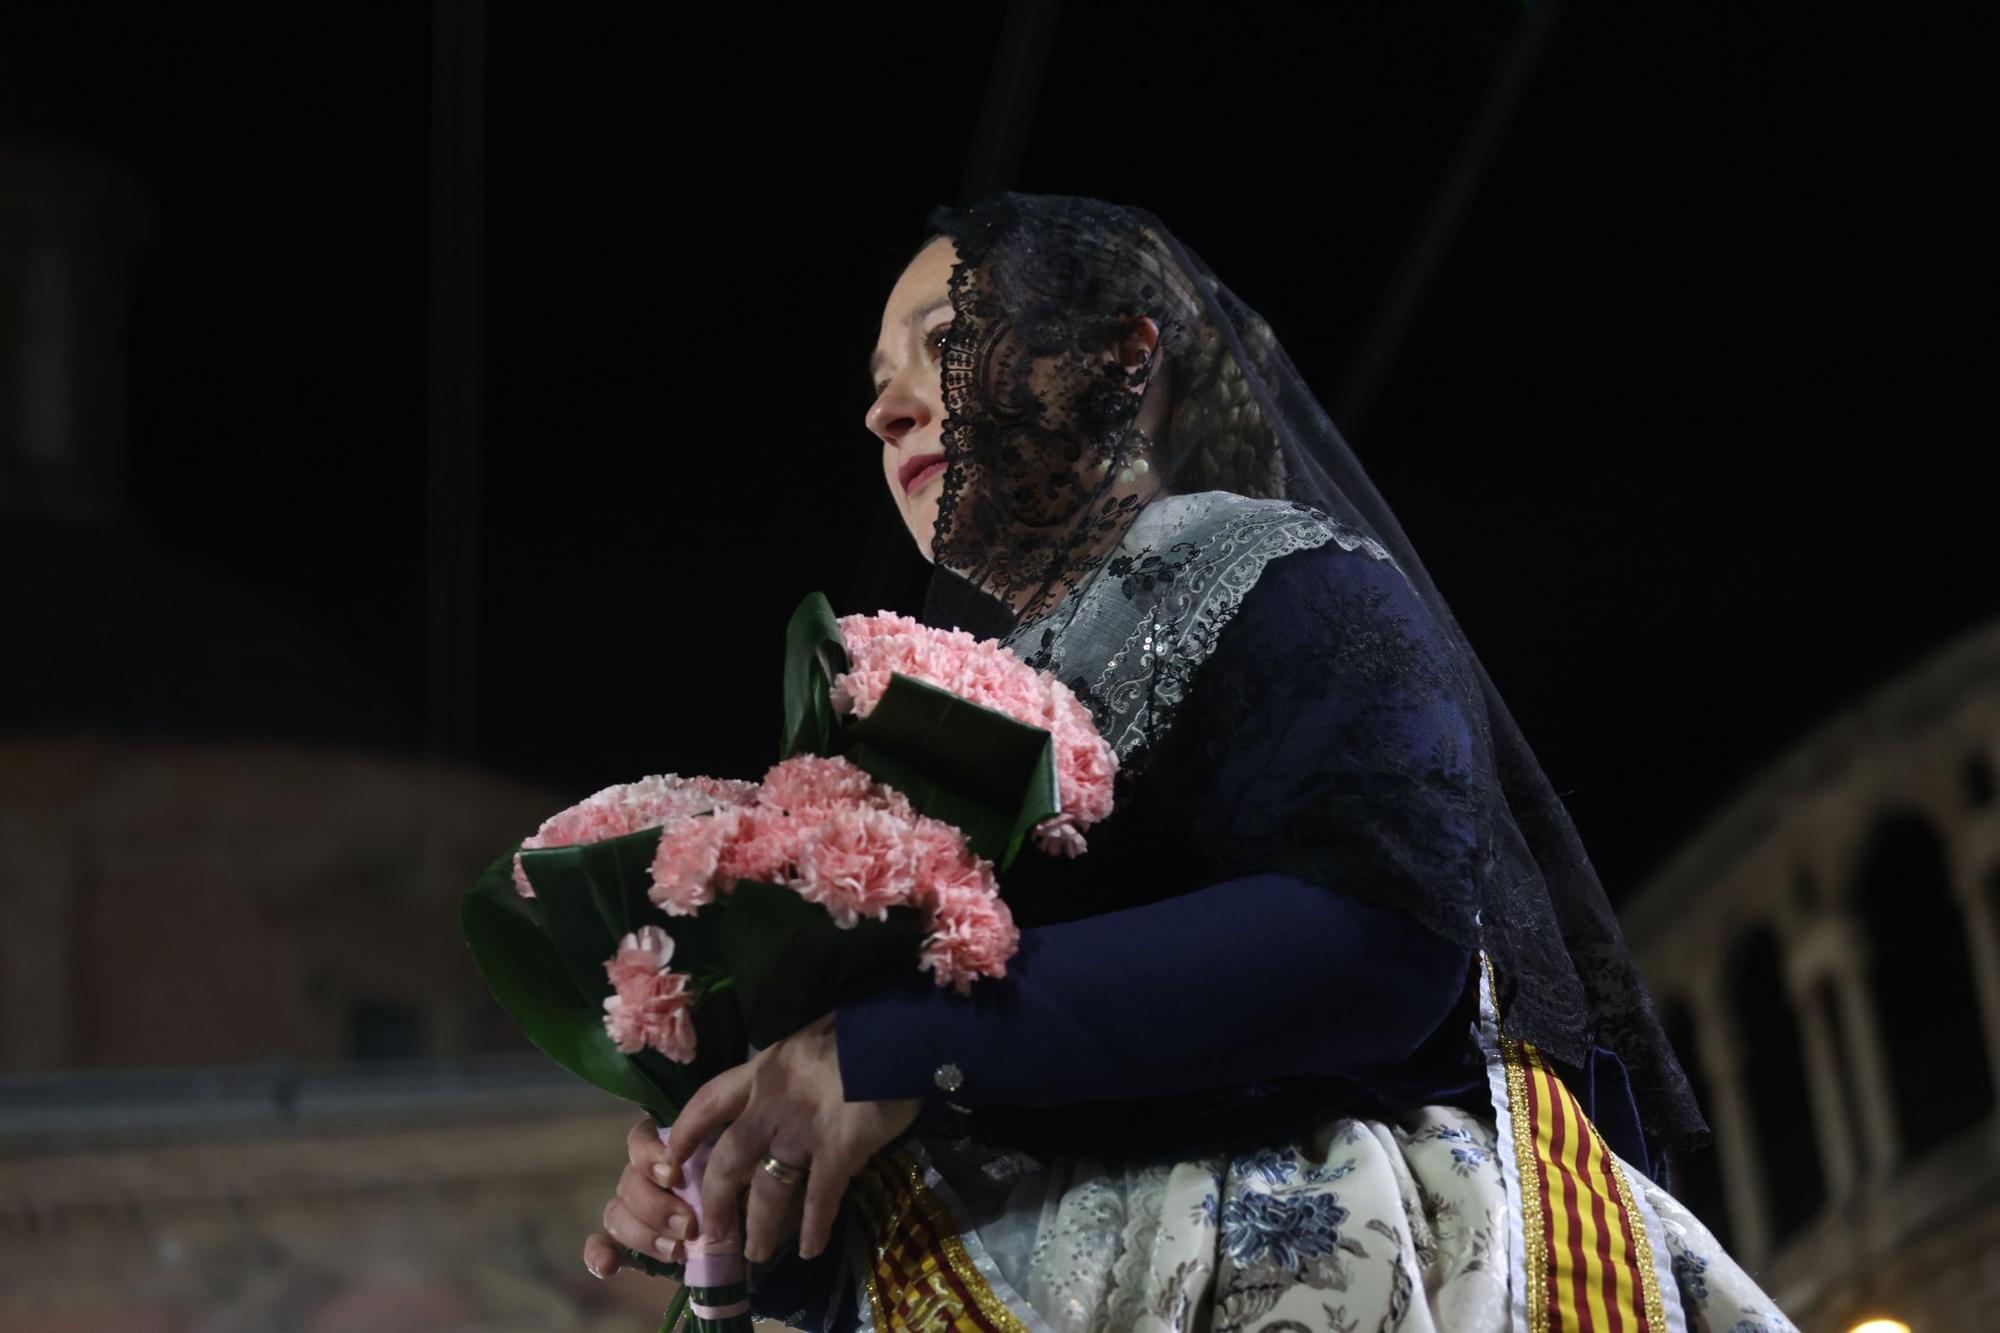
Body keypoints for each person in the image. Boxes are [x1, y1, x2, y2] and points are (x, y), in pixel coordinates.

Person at [582, 193, 1795, 1332]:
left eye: (945, 340)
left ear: (1123, 356)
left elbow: (1382, 939)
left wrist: (886, 1045)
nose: (887, 407)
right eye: (877, 379)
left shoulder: (1282, 575)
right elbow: (956, 1130)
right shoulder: (933, 718)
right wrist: (749, 1175)